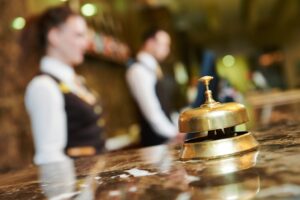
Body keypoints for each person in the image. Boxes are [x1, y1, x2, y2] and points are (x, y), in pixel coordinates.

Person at [23, 5, 106, 165]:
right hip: (78, 186)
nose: (86, 42)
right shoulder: (44, 86)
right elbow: (50, 157)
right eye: (79, 35)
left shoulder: (74, 80)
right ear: (54, 36)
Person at [126, 28, 181, 147]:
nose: (167, 49)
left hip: (166, 139)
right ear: (150, 43)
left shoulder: (153, 69)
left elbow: (166, 108)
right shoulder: (138, 70)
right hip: (155, 143)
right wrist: (174, 133)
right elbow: (152, 112)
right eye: (164, 45)